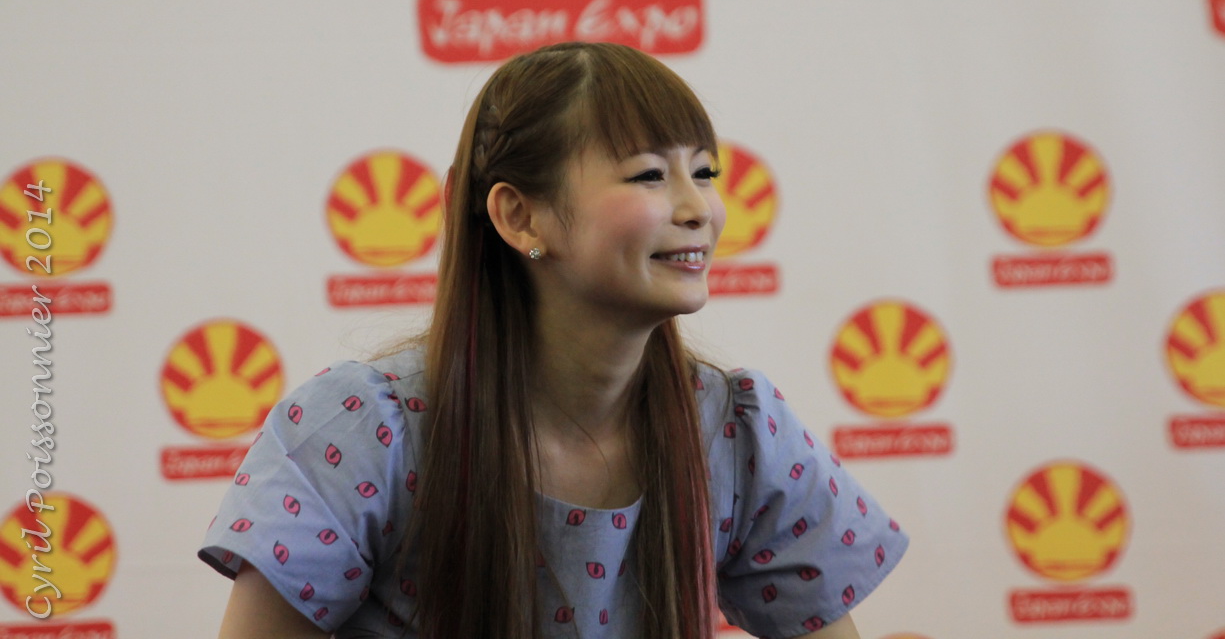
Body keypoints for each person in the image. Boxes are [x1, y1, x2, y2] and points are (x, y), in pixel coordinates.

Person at [200, 42, 908, 639]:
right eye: (649, 175)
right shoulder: (364, 428)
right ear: (519, 217)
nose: (699, 209)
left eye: (704, 173)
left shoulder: (737, 430)